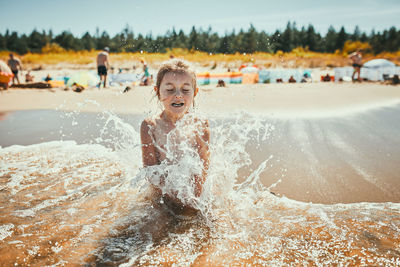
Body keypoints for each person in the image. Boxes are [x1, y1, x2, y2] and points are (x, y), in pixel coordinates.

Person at [140, 59, 210, 213]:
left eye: (185, 90)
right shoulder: (150, 126)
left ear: (195, 92)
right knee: (152, 226)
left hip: (193, 195)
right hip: (163, 195)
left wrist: (194, 199)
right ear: (158, 92)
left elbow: (203, 169)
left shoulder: (200, 124)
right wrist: (172, 201)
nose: (178, 95)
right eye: (170, 90)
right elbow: (151, 172)